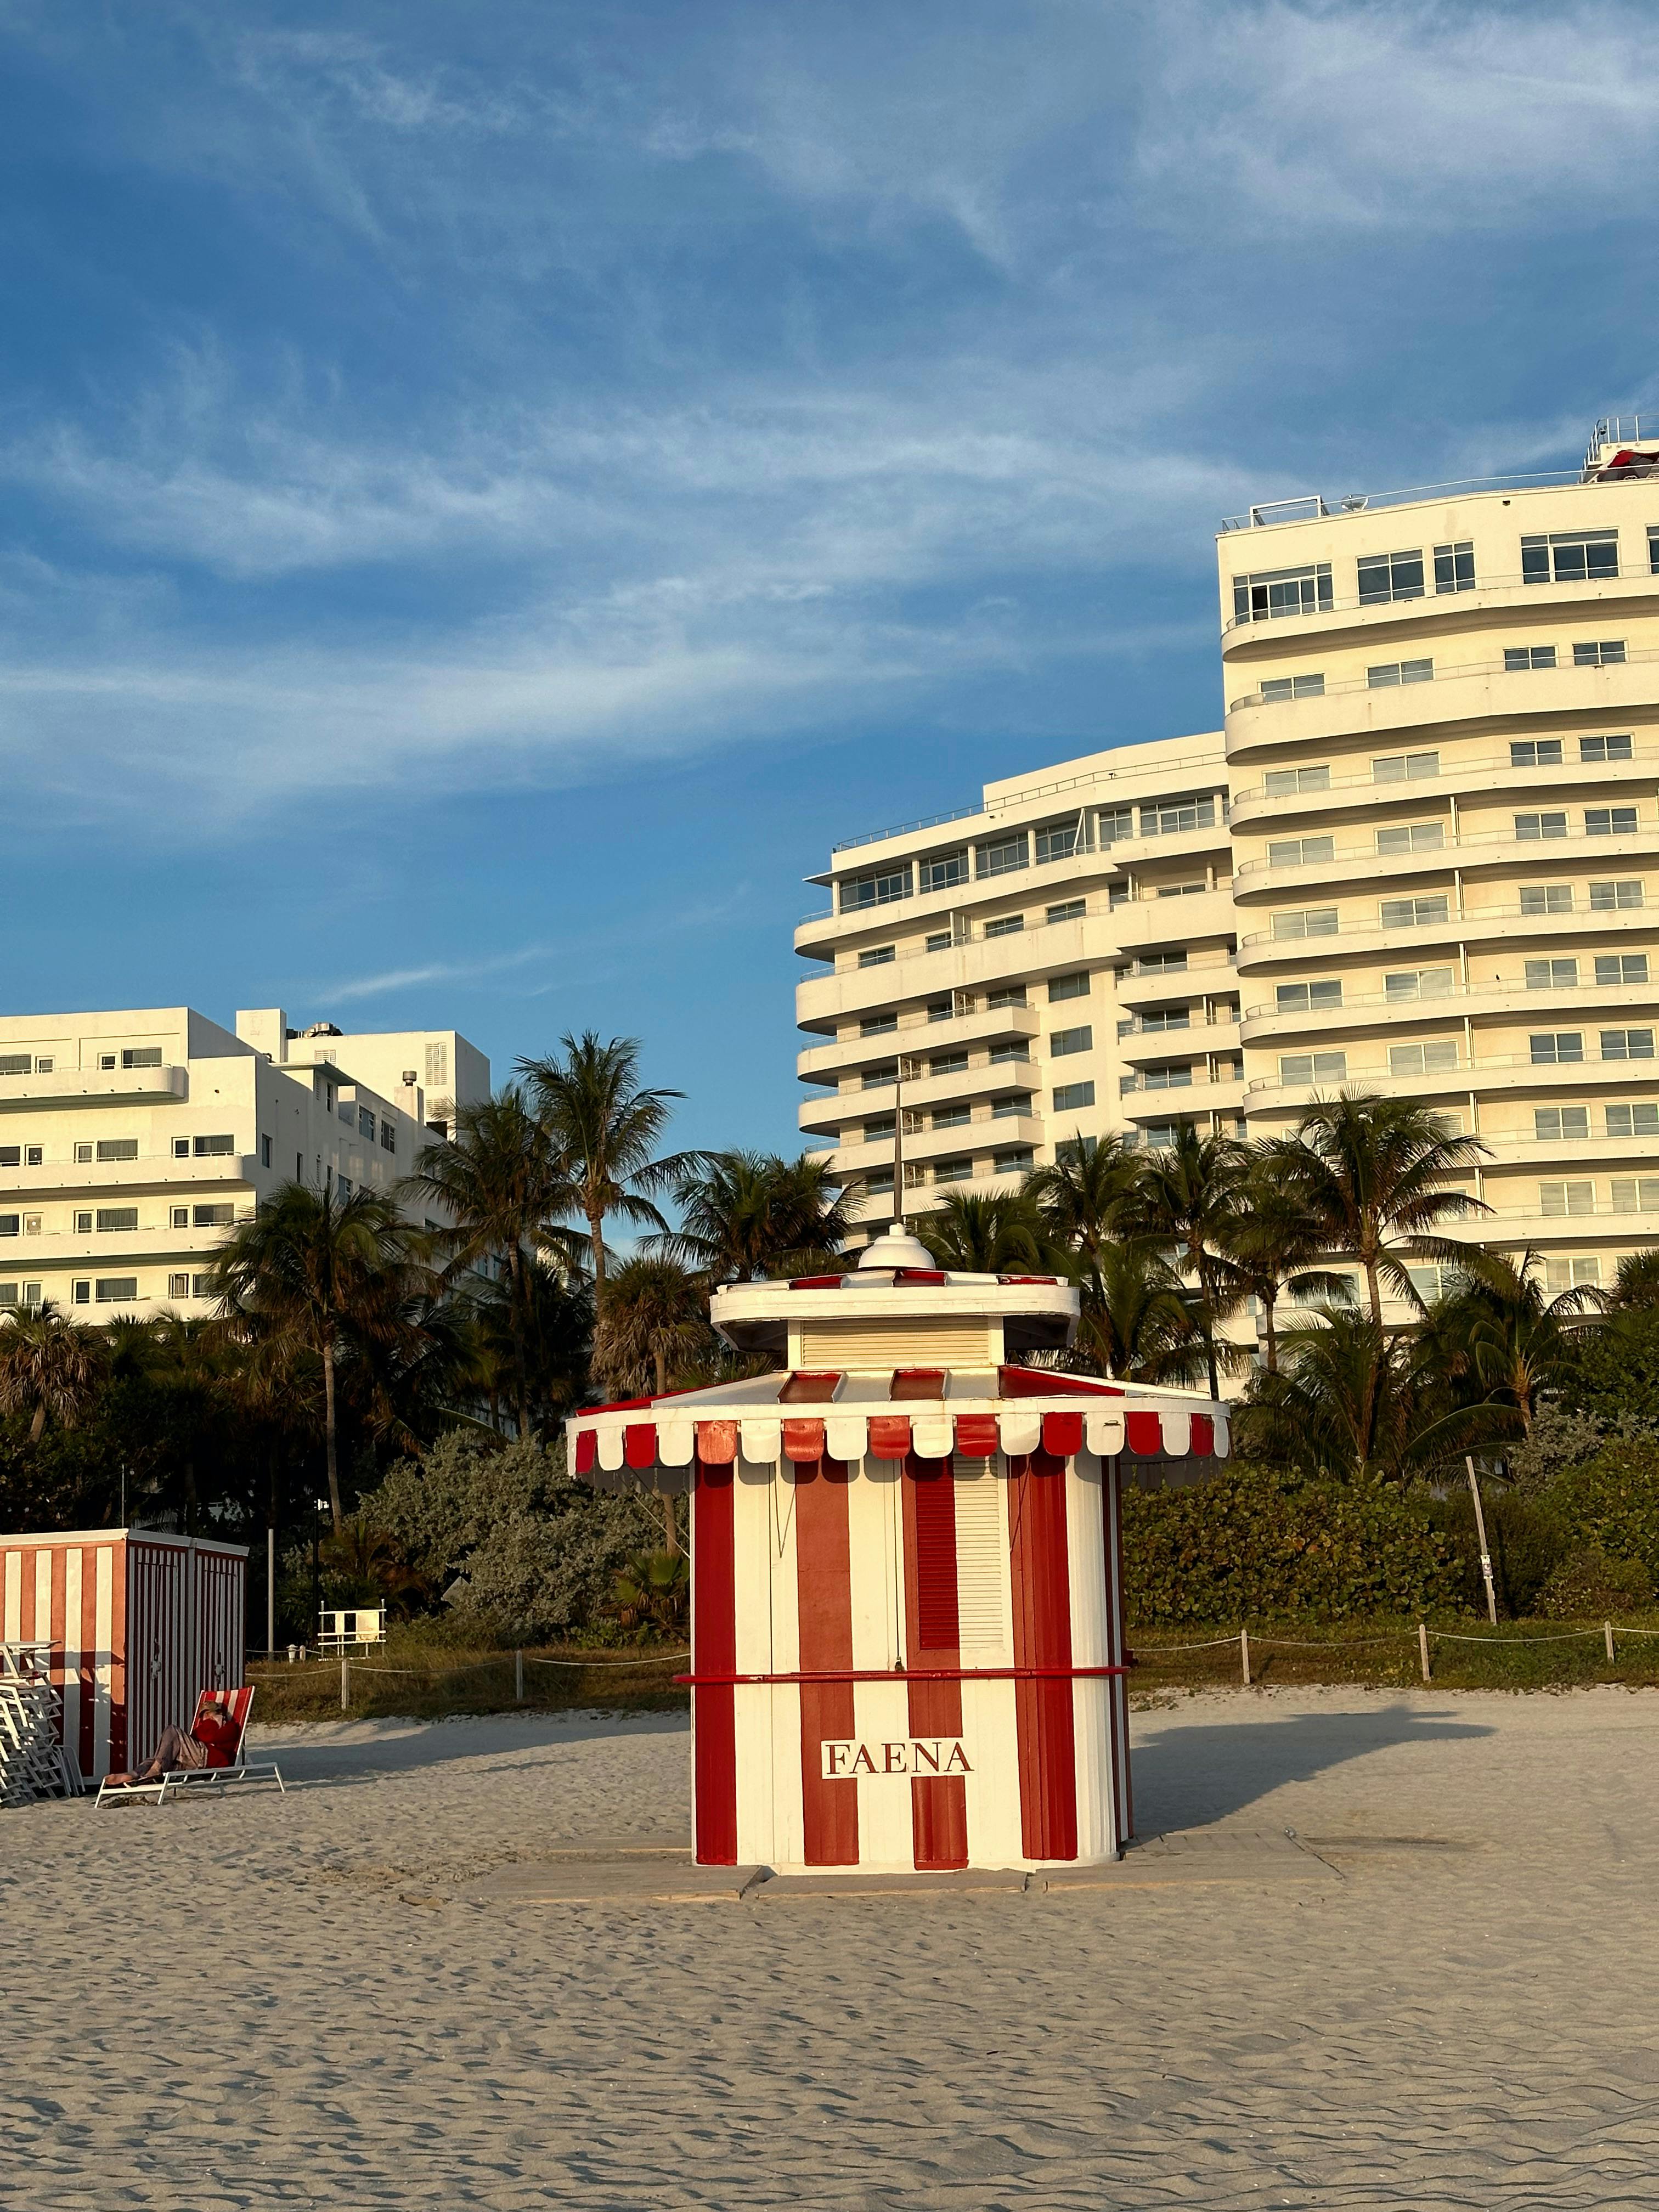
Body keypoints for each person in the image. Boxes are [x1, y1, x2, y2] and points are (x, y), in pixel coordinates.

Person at [104, 1699, 240, 1788]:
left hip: (209, 1759)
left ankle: (155, 1769)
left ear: (218, 1713)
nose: (206, 1718)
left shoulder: (230, 1727)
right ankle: (133, 1774)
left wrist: (215, 1722)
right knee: (153, 1760)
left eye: (209, 1714)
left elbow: (211, 1738)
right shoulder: (204, 1727)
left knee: (173, 1730)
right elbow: (195, 1738)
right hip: (193, 1760)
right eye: (203, 1715)